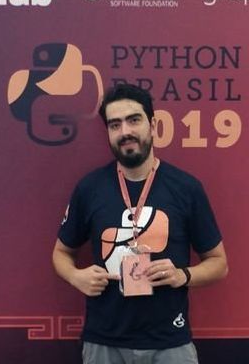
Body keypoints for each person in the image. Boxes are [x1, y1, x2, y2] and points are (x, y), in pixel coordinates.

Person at [52, 84, 228, 364]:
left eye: (134, 120)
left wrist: (182, 275)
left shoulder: (186, 188)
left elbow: (219, 263)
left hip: (169, 342)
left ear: (153, 125)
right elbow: (61, 253)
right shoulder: (89, 188)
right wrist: (76, 276)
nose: (125, 131)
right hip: (104, 342)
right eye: (115, 124)